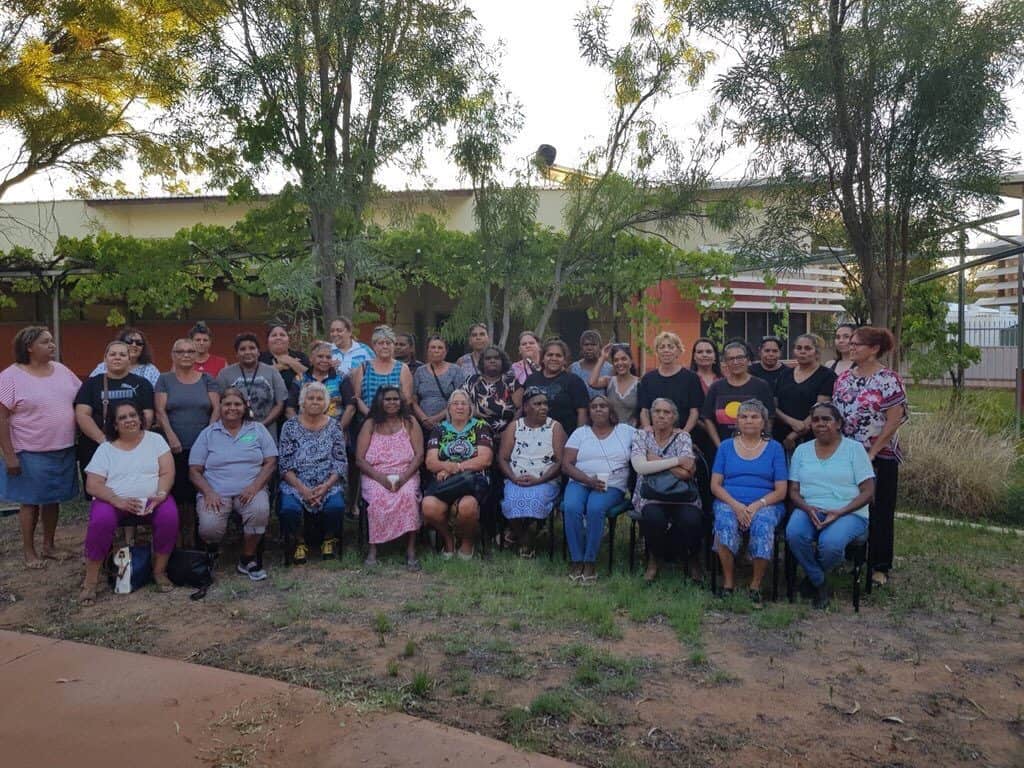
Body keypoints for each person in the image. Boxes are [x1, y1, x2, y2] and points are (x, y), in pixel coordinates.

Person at [80, 400, 178, 605]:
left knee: (169, 516)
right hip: (113, 501)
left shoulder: (156, 440)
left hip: (153, 498)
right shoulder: (106, 448)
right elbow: (93, 484)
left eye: (133, 415)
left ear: (140, 419)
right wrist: (117, 501)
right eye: (122, 418)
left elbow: (167, 471)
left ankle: (159, 571)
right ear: (115, 425)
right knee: (100, 522)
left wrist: (161, 494)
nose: (129, 420)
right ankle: (90, 582)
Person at [832, 325, 908, 587]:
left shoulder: (888, 379)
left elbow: (894, 419)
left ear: (874, 349)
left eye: (857, 344)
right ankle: (854, 558)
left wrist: (872, 453)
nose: (850, 347)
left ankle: (879, 566)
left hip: (880, 456)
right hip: (847, 454)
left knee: (880, 510)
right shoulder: (843, 378)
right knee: (851, 506)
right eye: (849, 343)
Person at [0, 326, 82, 568]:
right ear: (29, 347)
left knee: (52, 499)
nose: (52, 345)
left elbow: (80, 397)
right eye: (46, 342)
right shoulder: (10, 377)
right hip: (28, 450)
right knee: (29, 501)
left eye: (52, 341)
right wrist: (9, 455)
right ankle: (29, 551)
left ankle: (49, 545)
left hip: (62, 448)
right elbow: (2, 418)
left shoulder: (62, 371)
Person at [786, 402, 876, 609]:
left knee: (831, 545)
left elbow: (868, 491)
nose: (820, 424)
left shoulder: (855, 450)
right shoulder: (802, 450)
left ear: (838, 424)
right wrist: (807, 508)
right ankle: (820, 581)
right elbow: (793, 491)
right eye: (816, 420)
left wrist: (841, 512)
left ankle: (811, 580)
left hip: (849, 511)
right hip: (809, 507)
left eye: (826, 419)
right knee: (794, 534)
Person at [189, 388, 278, 581]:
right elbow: (194, 470)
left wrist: (255, 487)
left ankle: (247, 559)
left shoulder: (257, 430)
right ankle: (212, 551)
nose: (232, 408)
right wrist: (208, 492)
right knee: (209, 527)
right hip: (216, 492)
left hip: (250, 489)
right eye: (227, 404)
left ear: (245, 406)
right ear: (220, 407)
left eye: (237, 404)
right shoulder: (208, 433)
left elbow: (270, 462)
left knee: (260, 511)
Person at [710, 399, 788, 601]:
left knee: (763, 523)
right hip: (729, 501)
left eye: (754, 416)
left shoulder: (775, 448)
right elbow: (715, 485)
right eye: (743, 416)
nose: (749, 421)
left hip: (766, 503)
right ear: (737, 421)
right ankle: (728, 582)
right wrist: (736, 506)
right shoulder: (726, 447)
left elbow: (781, 491)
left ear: (764, 422)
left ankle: (755, 585)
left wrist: (756, 505)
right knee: (724, 520)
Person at [155, 338, 220, 546]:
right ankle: (176, 539)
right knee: (178, 492)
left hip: (203, 447)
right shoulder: (165, 380)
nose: (185, 355)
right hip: (174, 447)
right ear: (173, 355)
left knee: (197, 493)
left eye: (190, 351)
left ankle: (199, 539)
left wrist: (208, 436)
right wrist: (171, 434)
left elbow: (216, 409)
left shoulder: (207, 379)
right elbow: (160, 411)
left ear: (196, 355)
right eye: (180, 351)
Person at [562, 395, 635, 581]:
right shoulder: (580, 433)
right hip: (580, 481)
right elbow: (567, 465)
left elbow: (647, 443)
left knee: (595, 508)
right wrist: (587, 480)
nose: (598, 409)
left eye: (603, 406)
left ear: (611, 410)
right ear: (589, 412)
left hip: (611, 485)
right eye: (594, 406)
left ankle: (590, 561)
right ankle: (577, 559)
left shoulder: (626, 431)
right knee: (571, 507)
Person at [630, 398, 703, 583]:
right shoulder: (640, 435)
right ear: (651, 415)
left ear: (674, 417)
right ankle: (655, 559)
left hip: (682, 495)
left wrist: (653, 460)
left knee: (692, 520)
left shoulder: (683, 437)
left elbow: (687, 473)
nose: (661, 415)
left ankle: (692, 557)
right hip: (649, 495)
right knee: (654, 518)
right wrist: (676, 461)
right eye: (657, 411)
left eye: (667, 412)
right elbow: (640, 467)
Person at [278, 382, 348, 563]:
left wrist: (325, 486)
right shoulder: (289, 426)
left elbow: (340, 461)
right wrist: (303, 489)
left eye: (319, 398)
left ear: (326, 403)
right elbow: (284, 464)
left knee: (336, 507)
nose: (315, 402)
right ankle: (299, 541)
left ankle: (328, 539)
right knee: (288, 509)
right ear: (303, 401)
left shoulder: (334, 426)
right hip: (297, 481)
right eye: (310, 398)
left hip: (327, 481)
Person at [356, 386, 424, 569]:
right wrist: (380, 478)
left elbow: (419, 456)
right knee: (378, 497)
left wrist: (403, 478)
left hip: (406, 472)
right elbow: (360, 460)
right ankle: (373, 549)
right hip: (375, 474)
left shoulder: (409, 422)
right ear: (380, 402)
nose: (392, 402)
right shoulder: (370, 424)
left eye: (395, 399)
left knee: (408, 496)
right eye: (388, 399)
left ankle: (410, 550)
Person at [422, 389, 493, 559]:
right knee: (429, 506)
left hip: (472, 481)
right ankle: (449, 541)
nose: (460, 407)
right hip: (445, 483)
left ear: (470, 408)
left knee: (467, 507)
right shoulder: (439, 429)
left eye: (464, 403)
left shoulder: (480, 427)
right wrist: (447, 468)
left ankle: (467, 542)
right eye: (455, 403)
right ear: (449, 408)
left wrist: (454, 467)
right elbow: (430, 462)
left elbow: (485, 460)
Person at [497, 387, 566, 559]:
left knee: (536, 500)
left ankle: (525, 536)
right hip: (516, 479)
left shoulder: (555, 427)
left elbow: (560, 461)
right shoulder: (514, 426)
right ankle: (525, 538)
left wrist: (539, 480)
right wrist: (513, 477)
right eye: (537, 404)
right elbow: (502, 458)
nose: (543, 407)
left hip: (545, 480)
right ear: (526, 407)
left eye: (545, 404)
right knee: (512, 501)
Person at [75, 340, 156, 484]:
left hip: (134, 446)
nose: (117, 357)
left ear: (129, 359)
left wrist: (135, 440)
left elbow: (147, 414)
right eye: (112, 354)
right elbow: (82, 414)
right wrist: (103, 440)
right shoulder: (91, 384)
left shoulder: (143, 384)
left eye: (122, 354)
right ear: (105, 359)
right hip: (98, 445)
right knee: (100, 489)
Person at [701, 340, 775, 447]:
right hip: (723, 446)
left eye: (740, 357)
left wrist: (761, 443)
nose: (735, 362)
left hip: (755, 448)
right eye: (731, 359)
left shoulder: (761, 386)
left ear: (747, 360)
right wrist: (720, 446)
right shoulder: (716, 387)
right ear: (725, 362)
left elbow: (770, 418)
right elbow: (707, 418)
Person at [216, 333, 289, 439]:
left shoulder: (272, 372)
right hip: (234, 434)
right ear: (236, 353)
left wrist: (261, 425)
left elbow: (280, 404)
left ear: (258, 352)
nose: (247, 352)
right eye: (242, 349)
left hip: (266, 433)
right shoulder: (225, 374)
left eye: (252, 348)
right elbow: (219, 404)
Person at [773, 333, 836, 450]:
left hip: (812, 438)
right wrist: (791, 422)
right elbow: (774, 406)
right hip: (781, 436)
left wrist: (793, 436)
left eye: (808, 348)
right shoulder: (784, 374)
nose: (803, 351)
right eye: (799, 348)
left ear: (816, 352)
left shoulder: (827, 375)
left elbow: (821, 409)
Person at [637, 331, 703, 433]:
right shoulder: (647, 379)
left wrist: (684, 433)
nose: (666, 350)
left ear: (678, 351)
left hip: (684, 435)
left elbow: (694, 411)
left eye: (670, 347)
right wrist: (647, 429)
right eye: (662, 347)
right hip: (655, 437)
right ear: (657, 352)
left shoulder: (691, 378)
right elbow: (644, 410)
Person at [285, 341, 356, 430]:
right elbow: (289, 408)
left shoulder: (341, 378)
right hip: (304, 432)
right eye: (320, 356)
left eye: (328, 357)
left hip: (333, 432)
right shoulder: (300, 379)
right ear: (311, 358)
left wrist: (338, 431)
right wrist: (300, 431)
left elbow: (351, 407)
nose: (324, 360)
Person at [524, 339, 588, 437]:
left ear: (565, 360)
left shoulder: (574, 381)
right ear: (542, 358)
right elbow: (523, 408)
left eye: (558, 355)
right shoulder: (532, 379)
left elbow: (582, 412)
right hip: (532, 437)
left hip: (565, 438)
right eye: (550, 355)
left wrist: (579, 439)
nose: (554, 358)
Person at [351, 325, 414, 419]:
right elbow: (357, 398)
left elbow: (407, 399)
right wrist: (370, 415)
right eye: (380, 343)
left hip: (395, 421)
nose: (385, 346)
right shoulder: (364, 367)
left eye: (388, 343)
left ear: (393, 345)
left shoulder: (402, 368)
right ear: (374, 346)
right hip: (367, 420)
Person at [462, 345, 521, 436]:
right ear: (482, 362)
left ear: (503, 361)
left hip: (506, 435)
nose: (492, 360)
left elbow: (521, 409)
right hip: (475, 433)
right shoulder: (471, 381)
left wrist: (510, 430)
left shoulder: (511, 382)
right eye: (488, 358)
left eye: (496, 358)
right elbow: (460, 403)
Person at [412, 335, 465, 432]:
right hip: (423, 424)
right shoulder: (420, 371)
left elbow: (461, 398)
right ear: (427, 350)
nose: (436, 350)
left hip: (448, 422)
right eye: (433, 347)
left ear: (446, 351)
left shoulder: (455, 370)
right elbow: (413, 400)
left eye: (440, 348)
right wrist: (424, 418)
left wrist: (436, 418)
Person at [689, 337, 723, 464]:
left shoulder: (723, 380)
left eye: (708, 352)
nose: (704, 355)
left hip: (720, 435)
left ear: (715, 356)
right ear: (694, 356)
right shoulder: (687, 380)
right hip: (694, 434)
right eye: (700, 352)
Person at [89, 327, 160, 386]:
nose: (134, 345)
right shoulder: (103, 367)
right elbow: (89, 388)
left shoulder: (151, 370)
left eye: (139, 343)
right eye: (129, 341)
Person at [591, 343, 638, 427]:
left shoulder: (639, 383)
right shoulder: (609, 381)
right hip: (610, 431)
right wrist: (603, 358)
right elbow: (592, 382)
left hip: (631, 433)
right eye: (616, 360)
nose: (620, 363)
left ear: (631, 361)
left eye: (624, 359)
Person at [260, 324, 309, 394]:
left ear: (289, 340)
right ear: (267, 341)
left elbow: (310, 377)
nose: (278, 338)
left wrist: (291, 361)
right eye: (274, 335)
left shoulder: (300, 356)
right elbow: (255, 376)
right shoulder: (260, 357)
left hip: (296, 401)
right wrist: (280, 366)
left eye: (282, 335)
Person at [569, 330, 613, 398]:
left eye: (593, 344)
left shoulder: (610, 369)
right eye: (586, 345)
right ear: (581, 347)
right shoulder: (573, 368)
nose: (589, 348)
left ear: (600, 347)